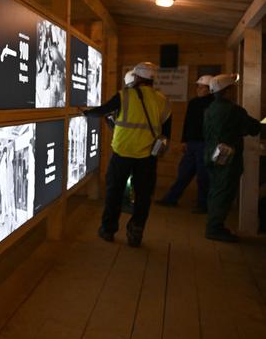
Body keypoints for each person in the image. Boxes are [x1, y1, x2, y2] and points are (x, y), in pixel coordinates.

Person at [84, 62, 172, 247]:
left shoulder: (124, 95)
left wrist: (84, 112)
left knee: (114, 192)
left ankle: (108, 230)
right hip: (148, 156)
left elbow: (102, 111)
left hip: (122, 153)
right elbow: (166, 132)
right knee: (143, 195)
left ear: (137, 77)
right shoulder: (162, 100)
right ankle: (136, 232)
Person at [203, 73, 261, 242]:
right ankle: (214, 228)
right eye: (233, 88)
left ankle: (213, 225)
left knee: (215, 191)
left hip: (210, 154)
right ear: (226, 91)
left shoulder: (210, 109)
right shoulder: (234, 110)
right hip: (226, 158)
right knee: (224, 192)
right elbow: (254, 128)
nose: (235, 91)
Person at [156, 75, 214, 212]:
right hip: (192, 144)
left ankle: (203, 205)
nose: (198, 89)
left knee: (203, 176)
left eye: (201, 87)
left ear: (209, 89)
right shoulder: (193, 103)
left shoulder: (213, 104)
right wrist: (184, 141)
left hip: (205, 144)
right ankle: (171, 199)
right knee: (184, 173)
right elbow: (187, 123)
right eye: (198, 86)